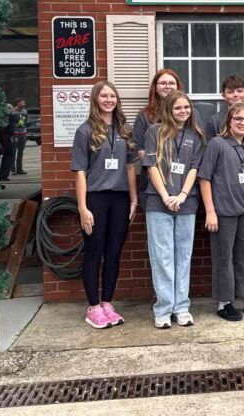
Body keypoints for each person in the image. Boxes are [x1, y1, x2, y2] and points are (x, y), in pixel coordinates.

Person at [71, 80, 138, 329]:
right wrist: (82, 208)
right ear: (96, 100)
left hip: (120, 198)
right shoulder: (85, 131)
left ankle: (108, 302)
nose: (109, 100)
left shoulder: (124, 130)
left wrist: (133, 199)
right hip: (95, 198)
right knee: (95, 252)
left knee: (113, 253)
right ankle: (93, 307)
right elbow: (79, 172)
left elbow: (131, 166)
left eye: (113, 95)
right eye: (104, 96)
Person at [143, 90, 205, 329]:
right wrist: (167, 196)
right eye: (178, 107)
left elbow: (193, 169)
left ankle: (181, 307)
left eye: (186, 108)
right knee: (162, 257)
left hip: (186, 202)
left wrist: (181, 195)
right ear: (169, 109)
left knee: (183, 256)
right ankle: (163, 308)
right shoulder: (154, 132)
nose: (183, 111)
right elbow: (152, 166)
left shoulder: (195, 136)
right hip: (159, 203)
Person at [198, 102, 244, 322]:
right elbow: (204, 178)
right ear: (229, 121)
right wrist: (210, 211)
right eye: (238, 119)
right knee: (223, 257)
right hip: (223, 211)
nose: (243, 123)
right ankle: (224, 303)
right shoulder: (217, 144)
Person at [133, 69, 185, 208]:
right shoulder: (145, 115)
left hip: (183, 183)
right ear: (155, 88)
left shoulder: (189, 113)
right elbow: (141, 150)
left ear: (178, 86)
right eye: (162, 83)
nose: (167, 86)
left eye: (171, 83)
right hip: (153, 183)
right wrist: (162, 175)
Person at [205, 74, 244, 141]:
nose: (236, 95)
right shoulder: (215, 121)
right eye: (230, 92)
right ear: (224, 96)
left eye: (239, 91)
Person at [11, 99, 29, 175]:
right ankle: (13, 169)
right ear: (18, 103)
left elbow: (25, 121)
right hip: (15, 134)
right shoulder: (12, 112)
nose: (24, 104)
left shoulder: (25, 112)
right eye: (22, 102)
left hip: (23, 133)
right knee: (13, 151)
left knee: (21, 152)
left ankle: (19, 169)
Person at [0, 103, 15, 182]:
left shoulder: (4, 117)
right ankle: (4, 175)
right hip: (7, 137)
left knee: (8, 156)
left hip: (6, 137)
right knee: (9, 155)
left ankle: (3, 174)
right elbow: (8, 128)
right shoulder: (7, 117)